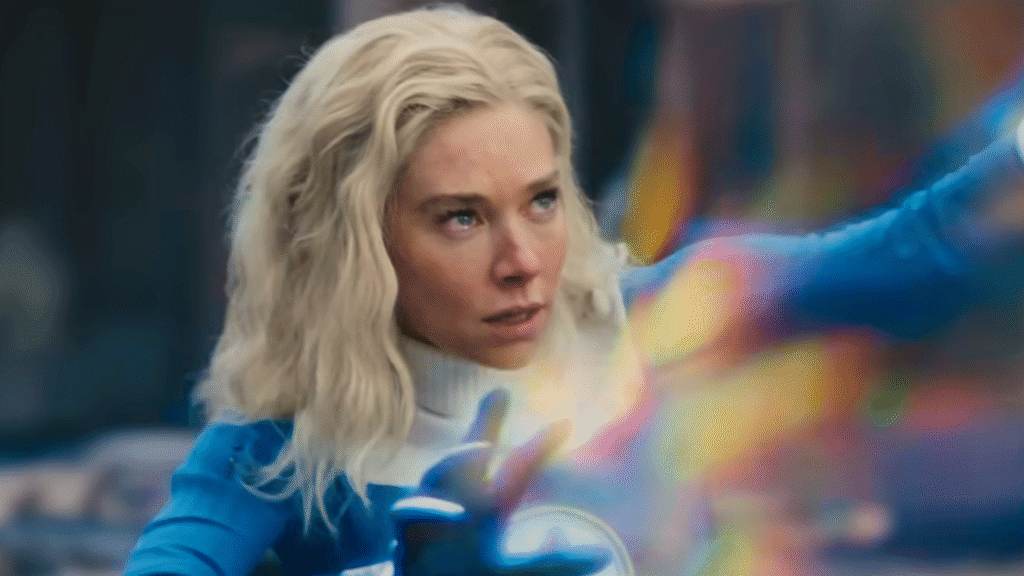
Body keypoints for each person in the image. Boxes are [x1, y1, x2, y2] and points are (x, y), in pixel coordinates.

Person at [124, 5, 1024, 576]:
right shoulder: (273, 452)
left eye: (542, 201)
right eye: (461, 218)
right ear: (354, 243)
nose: (524, 260)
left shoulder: (648, 322)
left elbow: (917, 249)